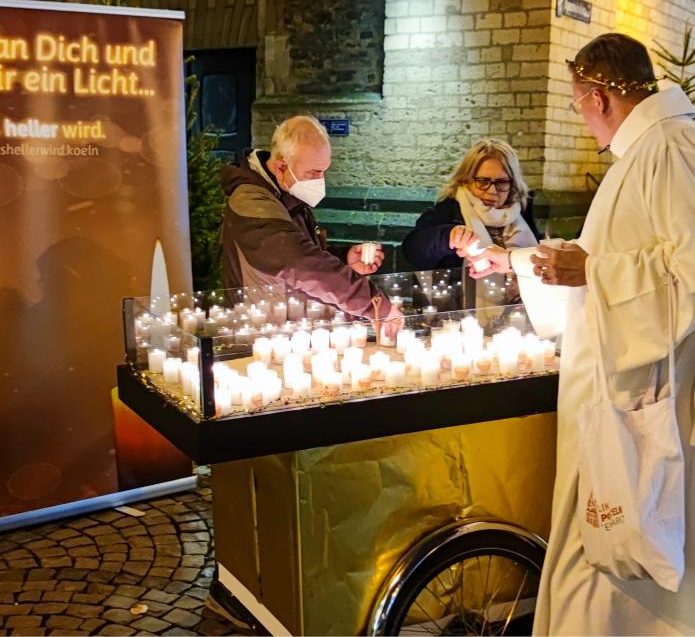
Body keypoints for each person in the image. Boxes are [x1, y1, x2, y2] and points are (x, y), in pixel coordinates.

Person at [475, 33, 695, 634]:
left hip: (640, 409)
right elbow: (607, 260)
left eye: (577, 104)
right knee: (590, 567)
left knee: (609, 577)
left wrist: (592, 270)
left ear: (598, 97)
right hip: (613, 399)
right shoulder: (647, 152)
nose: (581, 119)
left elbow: (689, 272)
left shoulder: (670, 148)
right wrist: (518, 263)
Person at [220, 115, 401, 330]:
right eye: (313, 172)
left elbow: (303, 248)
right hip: (261, 329)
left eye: (324, 170)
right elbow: (299, 262)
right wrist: (373, 304)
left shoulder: (285, 192)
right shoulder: (251, 201)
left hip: (291, 323)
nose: (320, 179)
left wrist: (343, 259)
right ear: (281, 167)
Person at [401, 138, 540, 270]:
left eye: (502, 182)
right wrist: (447, 236)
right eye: (483, 181)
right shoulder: (448, 209)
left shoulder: (521, 211)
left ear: (513, 183)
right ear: (467, 179)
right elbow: (412, 251)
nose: (492, 191)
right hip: (462, 294)